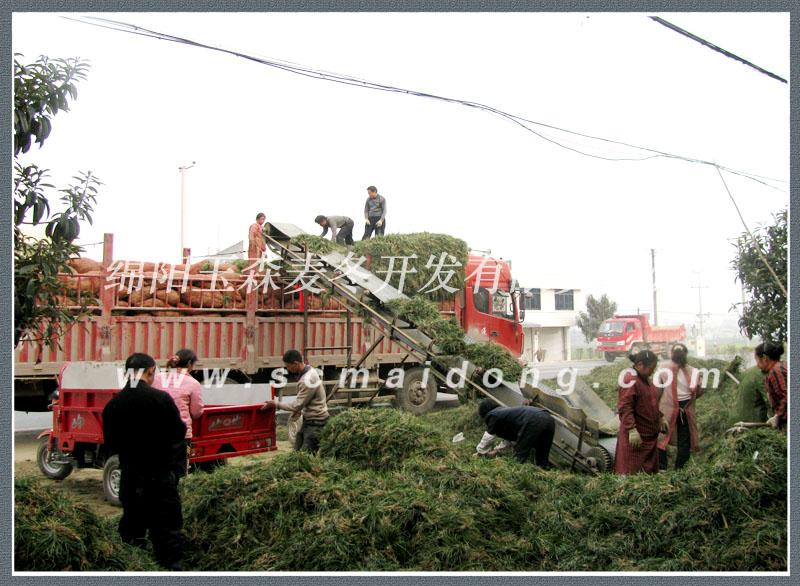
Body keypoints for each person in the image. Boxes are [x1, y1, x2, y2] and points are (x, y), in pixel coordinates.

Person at [102, 353, 187, 570]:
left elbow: (111, 445)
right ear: (150, 371)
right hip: (160, 479)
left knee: (132, 531)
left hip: (130, 479)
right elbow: (179, 432)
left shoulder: (112, 406)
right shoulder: (161, 400)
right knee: (167, 533)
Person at [260, 350, 329, 453]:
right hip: (309, 420)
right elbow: (303, 402)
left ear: (296, 363)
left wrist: (275, 403)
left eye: (288, 366)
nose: (287, 369)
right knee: (297, 452)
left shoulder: (308, 379)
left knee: (305, 456)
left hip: (316, 422)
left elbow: (297, 405)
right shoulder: (308, 370)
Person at [614, 350, 668, 475]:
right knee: (632, 475)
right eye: (651, 368)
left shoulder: (646, 380)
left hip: (648, 438)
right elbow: (625, 407)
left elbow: (650, 403)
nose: (652, 372)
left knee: (648, 476)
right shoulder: (630, 380)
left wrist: (660, 417)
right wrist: (631, 429)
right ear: (640, 365)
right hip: (636, 440)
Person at [153, 348, 204, 479]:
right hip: (181, 434)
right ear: (189, 364)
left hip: (158, 432)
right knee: (180, 470)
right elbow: (196, 412)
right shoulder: (193, 383)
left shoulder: (157, 379)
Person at [656, 343, 704, 470]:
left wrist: (656, 406)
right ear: (686, 354)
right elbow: (699, 392)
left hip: (667, 408)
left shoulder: (662, 368)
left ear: (671, 354)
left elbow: (657, 390)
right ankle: (680, 468)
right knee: (684, 440)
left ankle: (662, 468)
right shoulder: (695, 371)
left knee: (662, 438)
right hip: (686, 409)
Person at [477, 399, 555, 468]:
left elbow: (488, 437)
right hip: (548, 419)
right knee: (542, 458)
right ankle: (546, 472)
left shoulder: (493, 415)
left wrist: (480, 452)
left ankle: (516, 477)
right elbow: (509, 440)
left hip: (533, 421)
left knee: (519, 456)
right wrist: (497, 451)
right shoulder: (505, 413)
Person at [755, 341, 787, 431]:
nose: (757, 365)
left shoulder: (776, 371)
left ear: (765, 358)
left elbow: (788, 396)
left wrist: (777, 416)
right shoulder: (782, 366)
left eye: (757, 360)